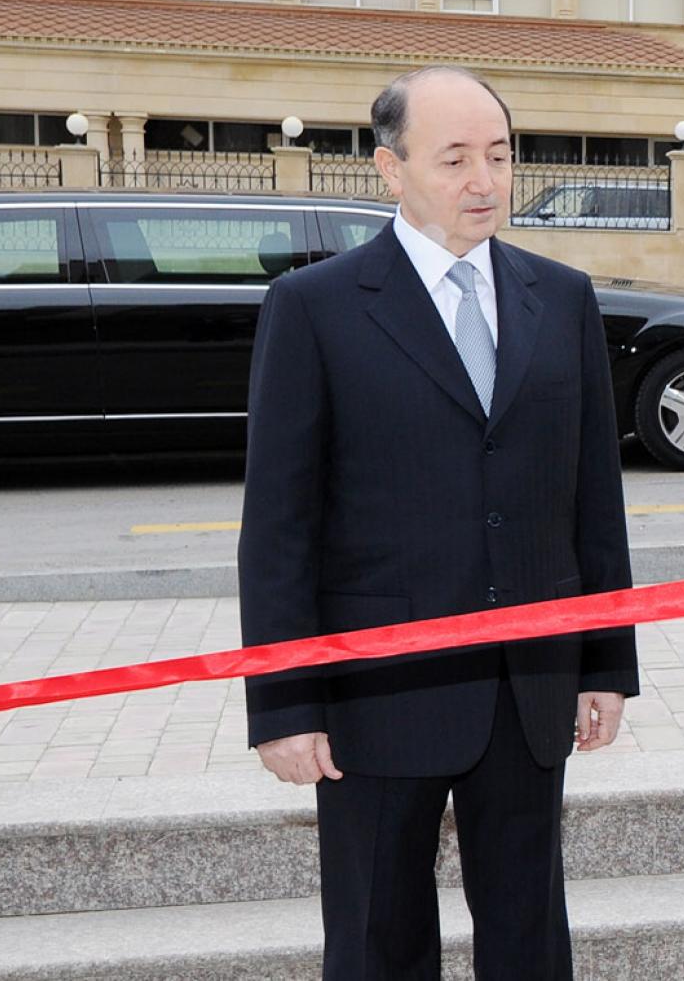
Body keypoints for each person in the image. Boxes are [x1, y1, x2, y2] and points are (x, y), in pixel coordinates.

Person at [237, 65, 639, 981]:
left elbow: (592, 499)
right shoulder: (316, 308)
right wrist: (284, 705)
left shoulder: (562, 297)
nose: (484, 181)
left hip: (529, 682)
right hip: (376, 692)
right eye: (454, 158)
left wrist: (606, 664)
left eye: (498, 155)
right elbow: (278, 527)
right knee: (379, 933)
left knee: (530, 936)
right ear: (391, 169)